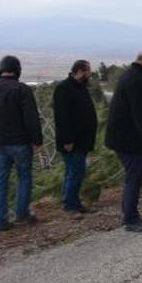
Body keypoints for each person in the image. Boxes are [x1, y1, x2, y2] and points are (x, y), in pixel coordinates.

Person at [105, 48, 142, 233]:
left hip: (126, 138)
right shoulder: (137, 81)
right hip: (129, 140)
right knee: (134, 178)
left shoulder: (132, 76)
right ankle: (130, 218)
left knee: (133, 177)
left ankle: (130, 215)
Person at [0, 56, 43, 231]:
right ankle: (21, 215)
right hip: (20, 143)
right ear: (17, 70)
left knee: (0, 181)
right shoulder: (22, 90)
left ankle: (0, 220)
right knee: (24, 177)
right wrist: (37, 140)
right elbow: (31, 118)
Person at [53, 60, 98, 214]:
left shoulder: (81, 88)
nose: (90, 73)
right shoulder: (64, 88)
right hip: (72, 142)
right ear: (80, 71)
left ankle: (73, 202)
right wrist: (67, 140)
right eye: (88, 70)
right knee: (76, 172)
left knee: (74, 172)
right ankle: (70, 205)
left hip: (83, 141)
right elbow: (62, 117)